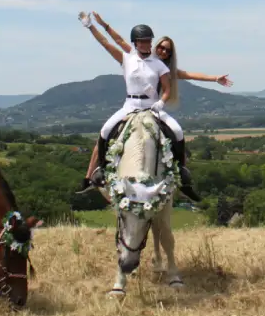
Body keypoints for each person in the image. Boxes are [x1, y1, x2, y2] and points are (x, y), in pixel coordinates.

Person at [75, 12, 204, 201]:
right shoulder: (127, 58)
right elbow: (106, 43)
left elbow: (167, 89)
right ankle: (98, 172)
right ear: (136, 43)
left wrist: (160, 103)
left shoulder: (159, 65)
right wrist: (91, 26)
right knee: (104, 132)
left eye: (148, 41)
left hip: (152, 106)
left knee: (178, 132)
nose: (146, 44)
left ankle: (183, 177)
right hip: (130, 105)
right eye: (142, 41)